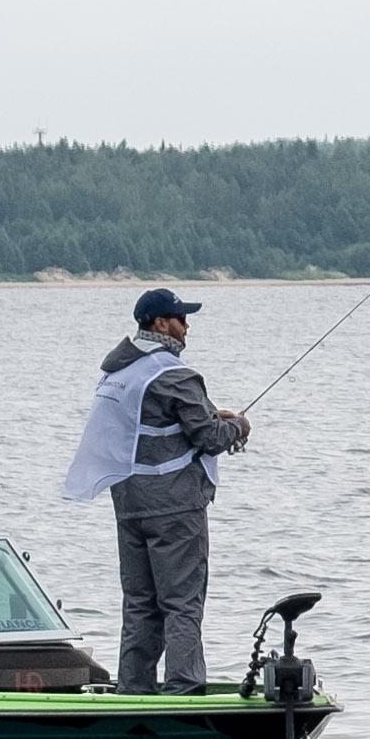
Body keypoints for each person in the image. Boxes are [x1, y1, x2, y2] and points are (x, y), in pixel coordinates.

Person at [63, 288, 256, 689]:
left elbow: (147, 424)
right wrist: (238, 426)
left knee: (139, 605)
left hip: (129, 504)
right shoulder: (173, 374)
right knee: (182, 604)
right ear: (160, 323)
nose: (186, 327)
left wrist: (209, 413)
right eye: (181, 319)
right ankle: (184, 685)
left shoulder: (117, 372)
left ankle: (135, 689)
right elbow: (209, 438)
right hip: (175, 506)